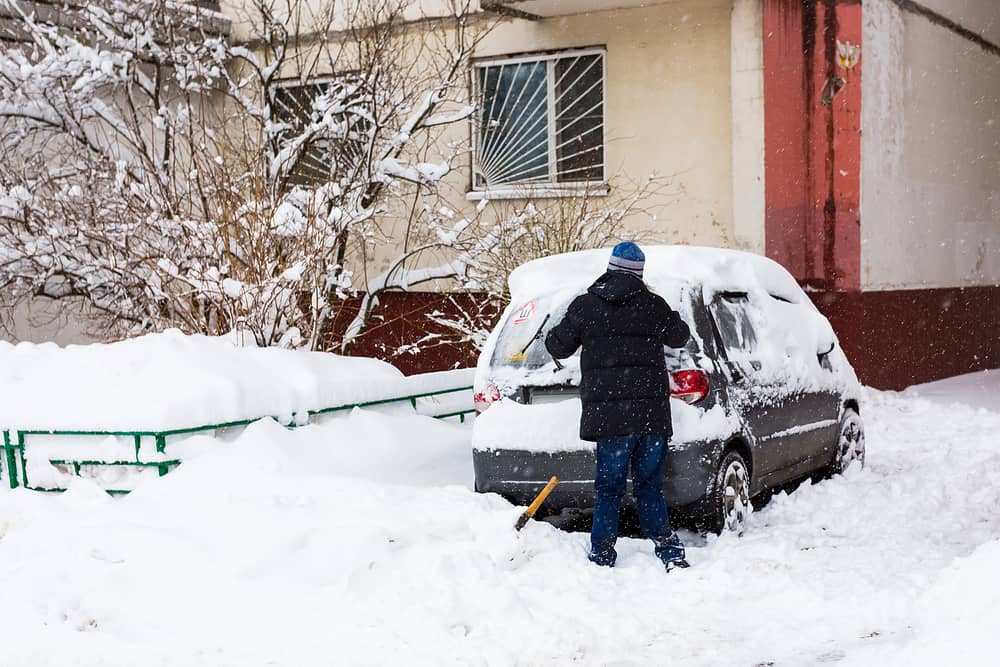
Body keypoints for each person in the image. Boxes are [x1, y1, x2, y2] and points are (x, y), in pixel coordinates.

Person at [545, 242, 691, 571]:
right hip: (650, 417)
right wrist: (671, 314)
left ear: (610, 268)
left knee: (609, 488)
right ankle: (668, 549)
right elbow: (680, 336)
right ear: (640, 274)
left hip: (609, 420)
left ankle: (602, 553)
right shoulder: (653, 306)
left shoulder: (585, 306)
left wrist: (561, 327)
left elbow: (558, 345)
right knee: (650, 486)